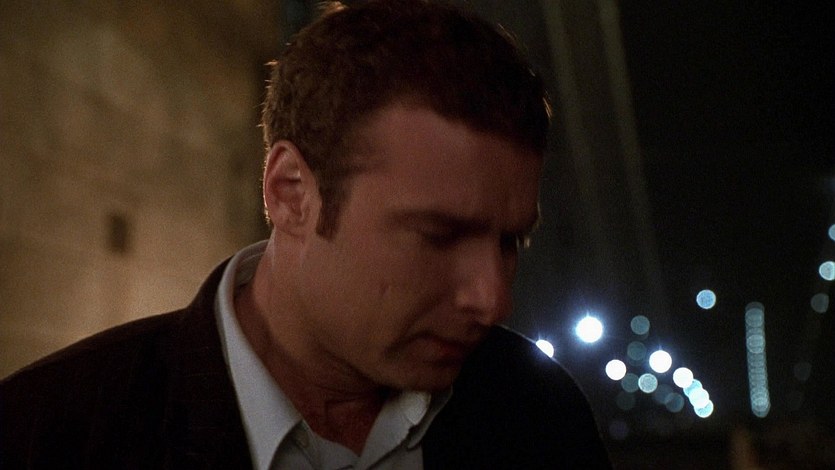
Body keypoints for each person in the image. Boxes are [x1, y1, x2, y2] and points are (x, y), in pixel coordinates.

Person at [0, 0, 611, 468]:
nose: (493, 300)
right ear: (291, 193)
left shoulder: (541, 417)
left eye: (510, 243)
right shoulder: (47, 434)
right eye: (438, 236)